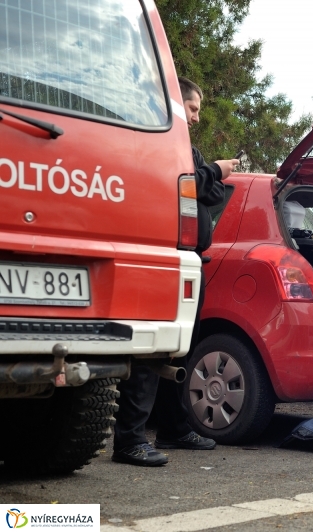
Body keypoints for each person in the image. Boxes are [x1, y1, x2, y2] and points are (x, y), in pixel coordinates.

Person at [112, 78, 239, 466]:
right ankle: (130, 438)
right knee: (154, 347)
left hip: (191, 260)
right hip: (164, 255)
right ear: (173, 103)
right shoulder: (156, 143)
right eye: (193, 108)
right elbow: (178, 185)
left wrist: (208, 176)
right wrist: (213, 171)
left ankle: (173, 425)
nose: (197, 117)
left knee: (178, 351)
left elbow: (212, 193)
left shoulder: (188, 149)